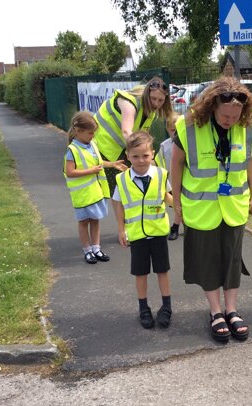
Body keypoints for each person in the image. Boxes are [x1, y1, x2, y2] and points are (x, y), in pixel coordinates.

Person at [170, 76, 252, 343]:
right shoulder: (186, 125)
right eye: (224, 115)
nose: (229, 120)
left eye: (235, 116)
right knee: (208, 261)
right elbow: (176, 164)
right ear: (212, 106)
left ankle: (232, 310)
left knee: (232, 260)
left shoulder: (250, 121)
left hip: (233, 205)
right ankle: (216, 311)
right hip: (200, 207)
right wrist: (176, 203)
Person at [113, 131, 173, 329]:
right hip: (137, 234)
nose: (140, 160)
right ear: (128, 156)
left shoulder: (161, 174)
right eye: (135, 156)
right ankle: (143, 308)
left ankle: (166, 307)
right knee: (141, 273)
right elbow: (118, 203)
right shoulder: (121, 180)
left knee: (162, 270)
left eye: (145, 155)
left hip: (158, 232)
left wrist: (181, 208)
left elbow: (167, 196)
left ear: (153, 154)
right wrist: (121, 229)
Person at [63, 111, 126, 264]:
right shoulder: (72, 150)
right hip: (83, 195)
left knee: (95, 220)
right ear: (78, 131)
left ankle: (96, 248)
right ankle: (87, 250)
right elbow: (69, 172)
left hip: (95, 192)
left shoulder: (92, 144)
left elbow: (97, 162)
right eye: (90, 133)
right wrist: (91, 171)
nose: (92, 136)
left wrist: (112, 164)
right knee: (84, 222)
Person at [94, 76, 173, 193]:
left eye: (160, 100)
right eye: (153, 98)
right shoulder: (129, 103)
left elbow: (143, 135)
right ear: (147, 94)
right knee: (117, 191)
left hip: (124, 149)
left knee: (130, 188)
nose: (156, 103)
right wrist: (142, 155)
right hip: (104, 147)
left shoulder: (150, 112)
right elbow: (127, 131)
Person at [154, 112, 183, 240]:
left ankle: (176, 227)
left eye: (178, 130)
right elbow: (159, 164)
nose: (175, 133)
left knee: (184, 204)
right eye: (172, 130)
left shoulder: (186, 144)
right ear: (167, 129)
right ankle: (179, 226)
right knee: (177, 205)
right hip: (171, 182)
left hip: (186, 180)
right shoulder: (164, 146)